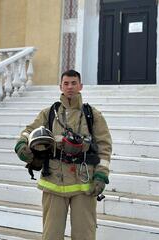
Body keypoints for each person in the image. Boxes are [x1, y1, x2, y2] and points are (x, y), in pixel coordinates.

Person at [15, 69, 112, 240]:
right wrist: (22, 145)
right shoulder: (49, 113)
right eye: (66, 83)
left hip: (84, 183)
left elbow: (105, 147)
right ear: (60, 86)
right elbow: (28, 131)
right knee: (51, 234)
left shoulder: (92, 115)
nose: (70, 87)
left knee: (85, 234)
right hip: (53, 181)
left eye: (74, 83)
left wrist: (101, 175)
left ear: (80, 86)